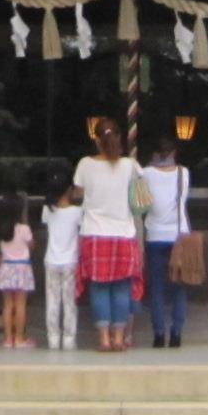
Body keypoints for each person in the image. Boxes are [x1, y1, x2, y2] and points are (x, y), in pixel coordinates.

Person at [70, 122, 143, 352]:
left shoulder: (85, 164)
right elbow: (140, 195)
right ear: (120, 137)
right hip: (123, 234)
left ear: (96, 140)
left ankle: (103, 339)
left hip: (94, 233)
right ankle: (119, 338)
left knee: (99, 288)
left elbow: (77, 196)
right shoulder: (130, 165)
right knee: (122, 289)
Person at [139, 135, 193, 350]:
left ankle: (159, 334)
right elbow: (184, 199)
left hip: (154, 234)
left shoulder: (146, 173)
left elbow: (142, 203)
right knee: (180, 286)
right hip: (179, 234)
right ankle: (177, 332)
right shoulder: (183, 173)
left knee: (157, 288)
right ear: (174, 153)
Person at [41, 176, 83, 351]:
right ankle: (68, 338)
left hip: (51, 259)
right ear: (68, 190)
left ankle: (52, 337)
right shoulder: (77, 212)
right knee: (69, 301)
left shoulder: (47, 210)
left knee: (52, 300)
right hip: (70, 261)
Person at [0, 214, 36, 348]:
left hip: (6, 267)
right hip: (22, 267)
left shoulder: (1, 229)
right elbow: (31, 245)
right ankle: (19, 338)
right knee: (20, 305)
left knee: (7, 305)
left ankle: (7, 339)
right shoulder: (23, 229)